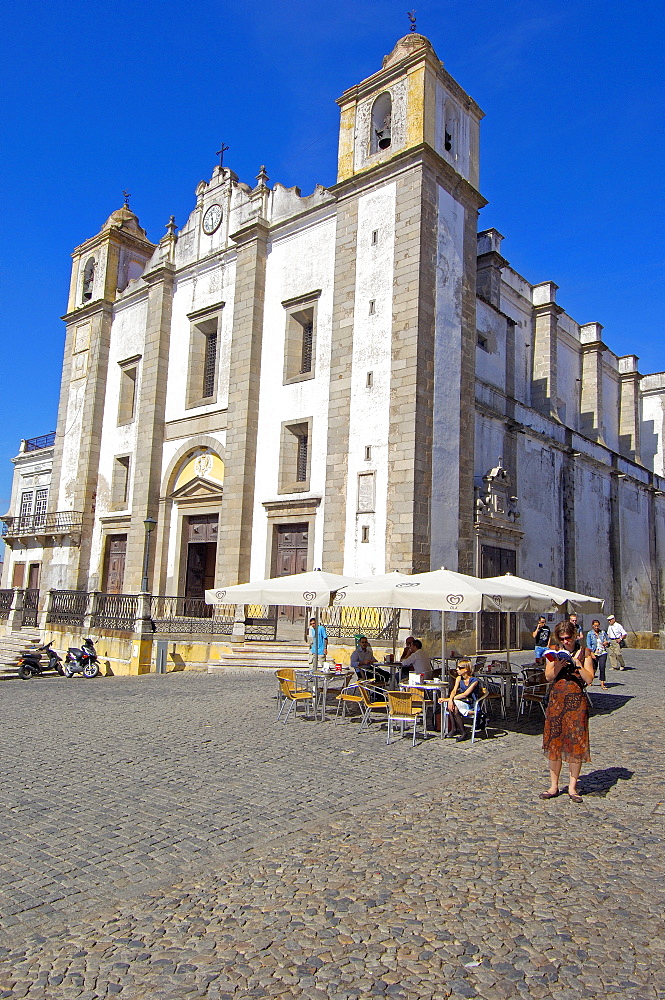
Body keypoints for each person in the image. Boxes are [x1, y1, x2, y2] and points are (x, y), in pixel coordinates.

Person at [540, 620, 595, 803]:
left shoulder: (584, 652)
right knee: (555, 741)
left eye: (568, 638)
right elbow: (548, 676)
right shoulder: (554, 651)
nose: (566, 641)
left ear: (575, 635)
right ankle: (554, 786)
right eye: (562, 639)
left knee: (575, 742)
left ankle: (572, 787)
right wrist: (559, 665)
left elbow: (590, 679)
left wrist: (577, 664)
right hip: (557, 701)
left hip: (576, 702)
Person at [440, 658, 480, 742]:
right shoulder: (459, 678)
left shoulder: (474, 681)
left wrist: (447, 699)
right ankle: (455, 729)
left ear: (466, 670)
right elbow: (454, 690)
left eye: (459, 668)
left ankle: (461, 731)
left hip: (471, 704)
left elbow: (465, 694)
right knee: (452, 705)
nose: (457, 669)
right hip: (462, 701)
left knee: (454, 707)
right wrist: (450, 700)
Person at [586, 619, 609, 690]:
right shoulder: (590, 634)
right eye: (595, 626)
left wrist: (607, 642)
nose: (596, 627)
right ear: (592, 626)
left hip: (602, 652)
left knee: (602, 667)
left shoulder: (602, 632)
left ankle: (602, 683)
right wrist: (591, 653)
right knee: (593, 668)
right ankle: (590, 680)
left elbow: (608, 639)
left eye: (597, 626)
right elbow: (588, 644)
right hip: (594, 652)